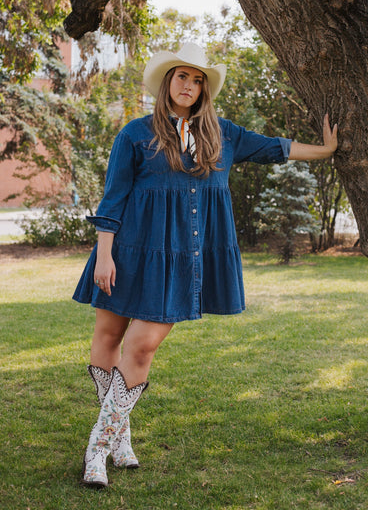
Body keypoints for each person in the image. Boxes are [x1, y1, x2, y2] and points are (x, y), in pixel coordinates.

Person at [73, 42, 338, 488]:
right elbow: (113, 198)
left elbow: (279, 147)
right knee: (107, 337)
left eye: (198, 80)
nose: (190, 86)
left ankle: (97, 448)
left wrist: (326, 150)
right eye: (183, 77)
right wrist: (103, 255)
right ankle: (120, 438)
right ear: (166, 82)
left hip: (179, 260)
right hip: (127, 253)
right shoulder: (135, 135)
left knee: (141, 348)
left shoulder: (224, 135)